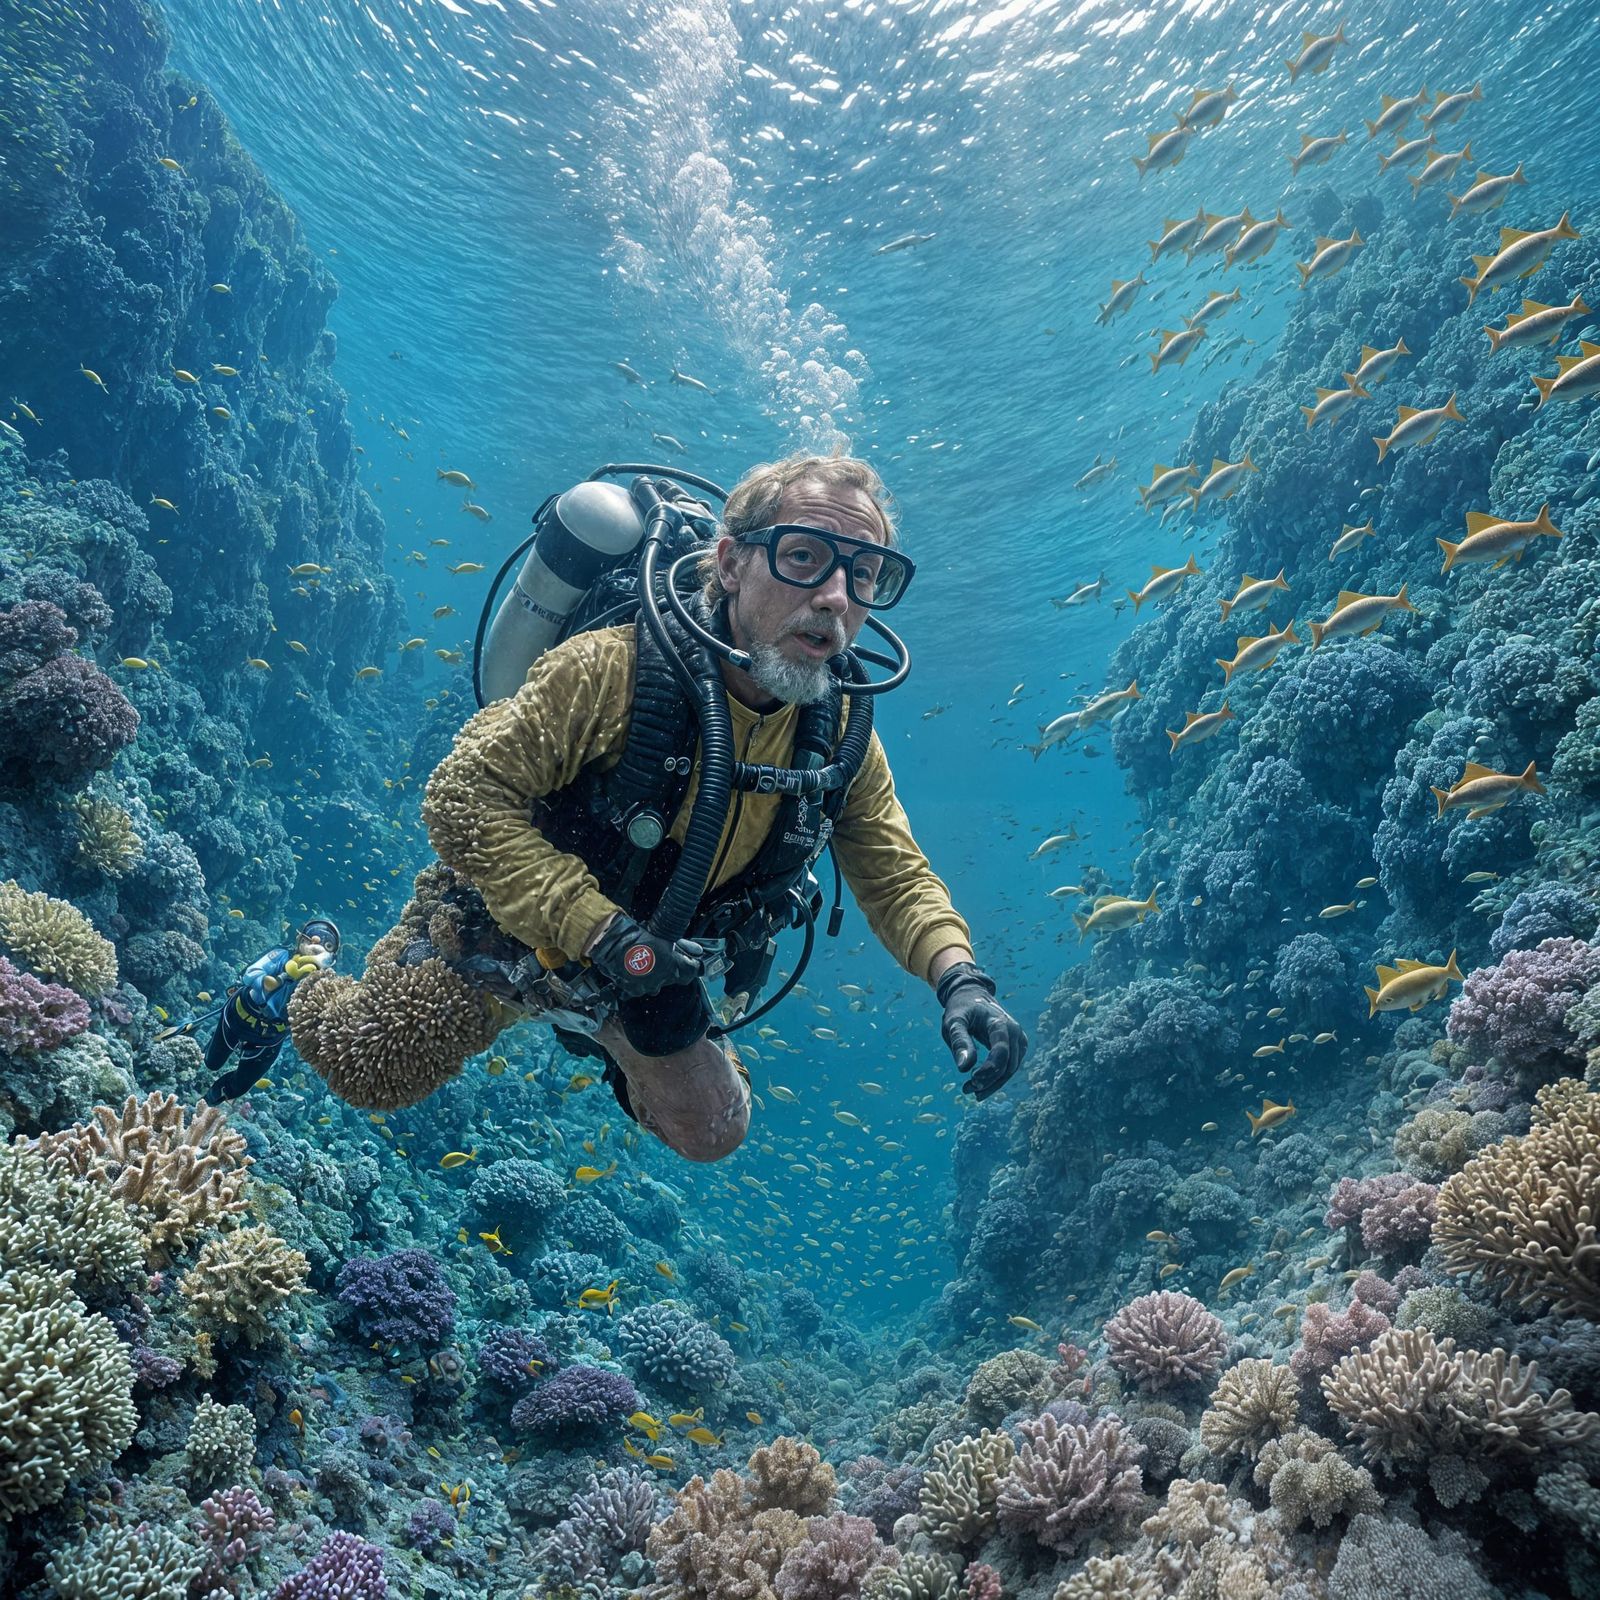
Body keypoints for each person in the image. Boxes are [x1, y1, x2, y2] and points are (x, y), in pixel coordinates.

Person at [398, 451, 1028, 1161]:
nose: (835, 598)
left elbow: (893, 870)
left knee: (715, 1133)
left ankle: (605, 1029)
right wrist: (601, 935)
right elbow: (465, 797)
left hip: (653, 967)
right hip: (508, 927)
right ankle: (289, 977)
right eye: (804, 556)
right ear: (730, 564)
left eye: (862, 575)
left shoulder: (840, 733)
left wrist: (961, 980)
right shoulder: (613, 669)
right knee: (368, 1065)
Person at [203, 918, 340, 1101]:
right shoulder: (280, 955)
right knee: (211, 1063)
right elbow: (250, 973)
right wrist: (271, 982)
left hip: (270, 1038)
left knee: (240, 1086)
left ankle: (210, 1099)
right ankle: (211, 1049)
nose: (316, 945)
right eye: (311, 939)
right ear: (301, 939)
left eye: (327, 944)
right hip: (238, 1016)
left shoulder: (325, 984)